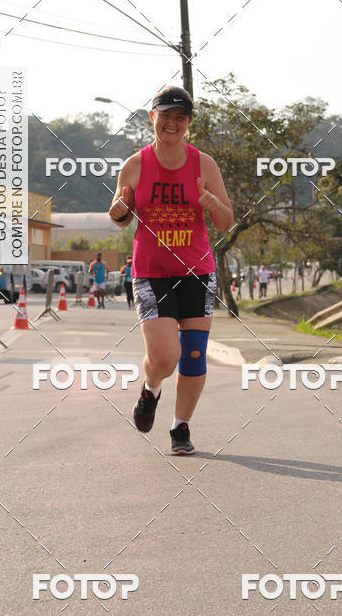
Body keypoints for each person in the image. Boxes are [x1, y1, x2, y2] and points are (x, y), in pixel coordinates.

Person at [109, 85, 233, 455]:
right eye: (165, 116)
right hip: (152, 272)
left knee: (193, 355)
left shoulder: (204, 164)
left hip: (197, 271)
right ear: (152, 118)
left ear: (188, 124)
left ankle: (181, 427)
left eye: (180, 118)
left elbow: (225, 221)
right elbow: (120, 213)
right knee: (165, 357)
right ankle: (151, 388)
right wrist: (117, 211)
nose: (172, 124)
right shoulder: (135, 165)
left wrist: (212, 202)